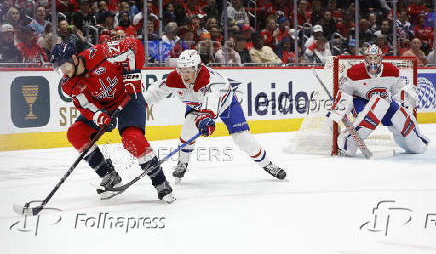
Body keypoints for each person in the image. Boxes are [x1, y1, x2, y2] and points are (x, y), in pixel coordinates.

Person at [50, 39, 175, 203]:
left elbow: (134, 46)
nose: (63, 72)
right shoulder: (68, 84)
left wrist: (132, 76)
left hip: (128, 98)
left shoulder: (100, 53)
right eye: (60, 69)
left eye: (64, 66)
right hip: (104, 108)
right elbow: (86, 105)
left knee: (133, 139)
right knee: (75, 133)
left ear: (74, 58)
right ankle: (110, 176)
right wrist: (99, 116)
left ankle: (161, 183)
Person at [144, 49, 286, 182]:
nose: (184, 75)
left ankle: (268, 164)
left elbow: (211, 101)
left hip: (226, 104)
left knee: (243, 138)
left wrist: (205, 118)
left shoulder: (212, 81)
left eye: (188, 71)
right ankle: (182, 162)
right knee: (187, 130)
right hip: (197, 105)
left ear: (197, 68)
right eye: (182, 71)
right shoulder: (175, 78)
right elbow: (155, 91)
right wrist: (140, 103)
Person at [327, 45, 429, 156]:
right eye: (370, 58)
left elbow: (398, 89)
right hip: (361, 102)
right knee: (377, 106)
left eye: (375, 58)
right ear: (365, 58)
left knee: (401, 116)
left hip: (384, 101)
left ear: (381, 58)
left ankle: (415, 145)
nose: (373, 61)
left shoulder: (391, 71)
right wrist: (340, 108)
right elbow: (345, 92)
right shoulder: (355, 72)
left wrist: (406, 96)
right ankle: (347, 142)